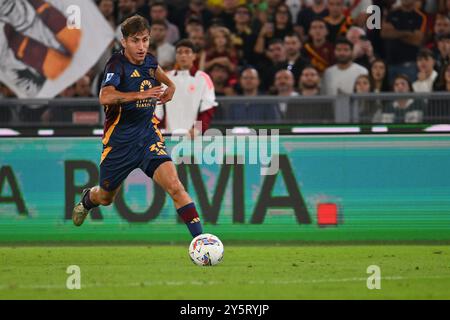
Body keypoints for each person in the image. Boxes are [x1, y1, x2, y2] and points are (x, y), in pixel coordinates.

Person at [71, 16, 205, 241]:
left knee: (175, 186)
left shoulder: (150, 61)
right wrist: (139, 95)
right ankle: (87, 198)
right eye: (135, 41)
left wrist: (171, 86)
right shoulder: (116, 64)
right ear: (124, 42)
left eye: (145, 40)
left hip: (147, 138)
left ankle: (200, 240)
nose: (141, 46)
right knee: (105, 198)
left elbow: (157, 72)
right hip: (119, 144)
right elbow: (105, 96)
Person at [155, 39, 218, 137]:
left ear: (194, 56)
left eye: (187, 52)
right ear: (175, 56)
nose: (183, 55)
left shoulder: (203, 78)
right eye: (179, 52)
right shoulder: (166, 78)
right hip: (168, 135)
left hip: (193, 136)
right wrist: (154, 128)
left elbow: (208, 107)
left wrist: (197, 129)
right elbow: (158, 108)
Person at [381, 0, 427, 84]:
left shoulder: (420, 17)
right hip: (390, 64)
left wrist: (394, 32)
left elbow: (416, 40)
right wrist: (408, 34)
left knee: (409, 95)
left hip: (409, 65)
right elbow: (384, 33)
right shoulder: (392, 13)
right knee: (391, 95)